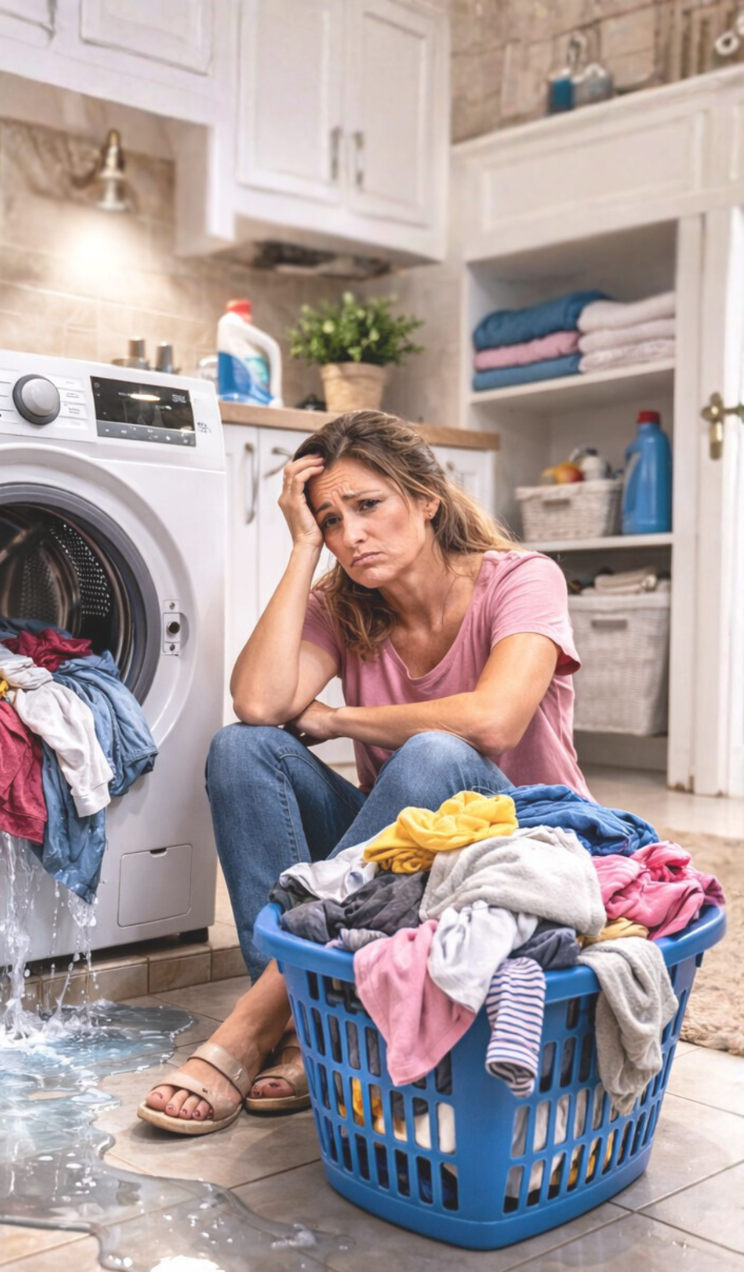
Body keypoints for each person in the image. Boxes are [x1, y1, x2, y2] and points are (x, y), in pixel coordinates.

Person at [138, 409, 587, 1135]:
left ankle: (257, 1024)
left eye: (368, 506)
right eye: (331, 520)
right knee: (241, 749)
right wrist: (300, 549)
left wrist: (339, 719)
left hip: (524, 842)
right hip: (399, 861)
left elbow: (494, 722)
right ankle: (307, 1033)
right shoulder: (343, 601)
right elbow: (259, 703)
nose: (351, 536)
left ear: (426, 501)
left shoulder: (522, 579)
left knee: (436, 752)